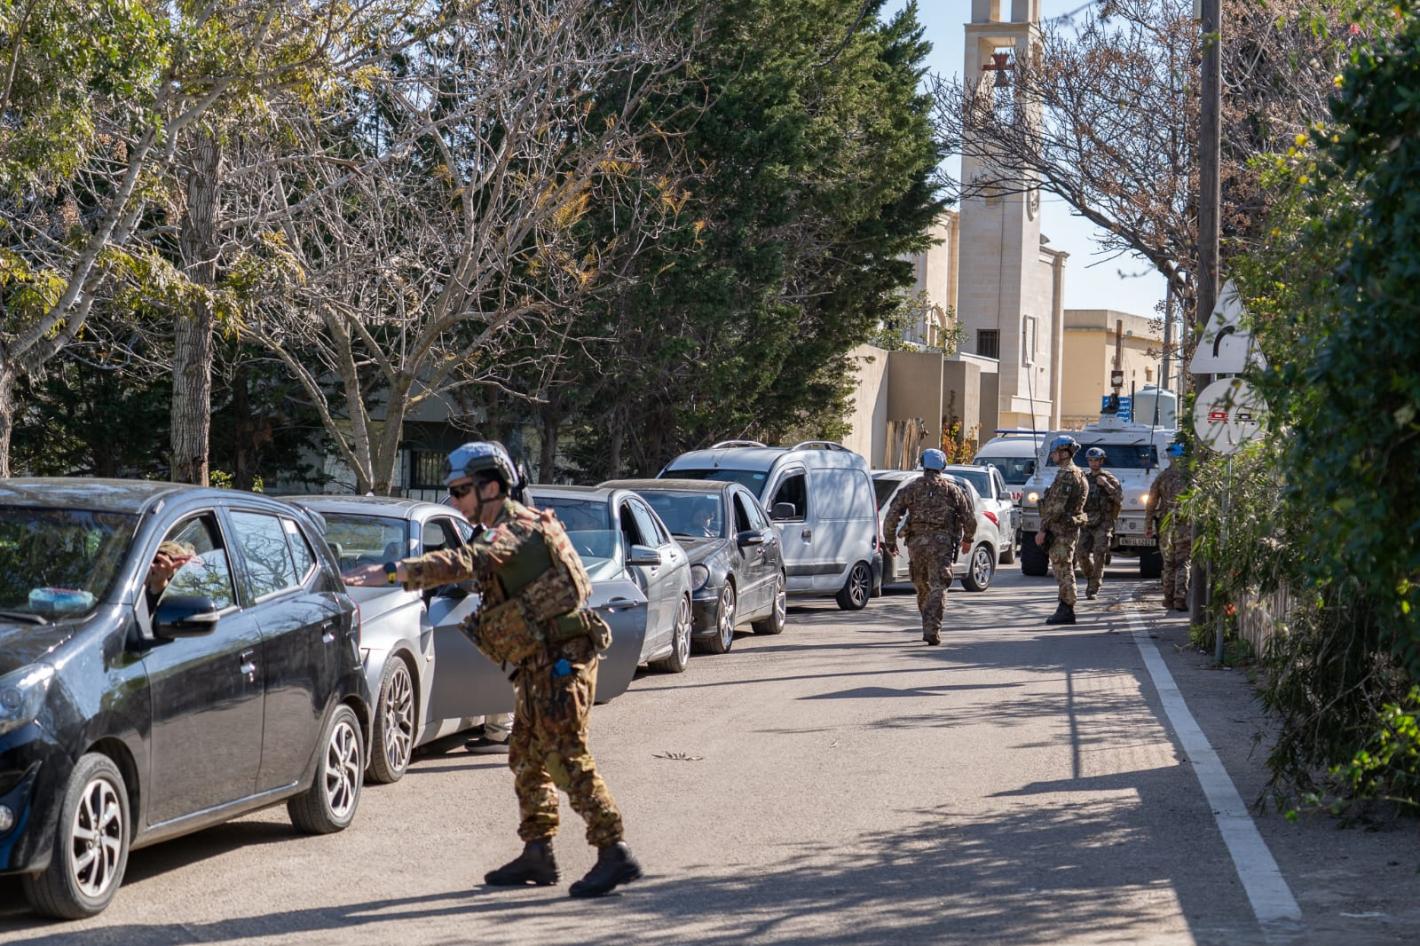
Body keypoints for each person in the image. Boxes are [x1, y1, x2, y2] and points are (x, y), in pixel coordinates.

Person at [347, 441, 639, 898]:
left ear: (493, 488)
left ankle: (613, 851)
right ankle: (538, 852)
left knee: (566, 756)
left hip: (562, 664)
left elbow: (466, 562)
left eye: (461, 490)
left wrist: (391, 572)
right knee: (524, 755)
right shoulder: (506, 527)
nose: (455, 501)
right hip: (540, 665)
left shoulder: (517, 528)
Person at [881, 449, 975, 646]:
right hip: (942, 545)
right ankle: (932, 627)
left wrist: (890, 542)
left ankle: (928, 623)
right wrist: (968, 539)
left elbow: (892, 516)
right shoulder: (952, 490)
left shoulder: (911, 489)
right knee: (939, 586)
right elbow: (969, 517)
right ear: (943, 467)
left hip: (917, 545)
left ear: (923, 465)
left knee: (922, 585)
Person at [1036, 435, 1088, 625]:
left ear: (1064, 453)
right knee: (1064, 567)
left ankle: (1067, 608)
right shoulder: (1079, 474)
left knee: (1063, 569)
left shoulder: (1066, 475)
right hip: (1068, 529)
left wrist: (1043, 529)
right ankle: (1064, 605)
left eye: (1055, 452)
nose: (1052, 456)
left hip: (1061, 531)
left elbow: (1056, 508)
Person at [1146, 440, 1191, 611]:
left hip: (1166, 526)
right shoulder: (1191, 476)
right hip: (1186, 525)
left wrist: (1148, 525)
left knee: (1168, 563)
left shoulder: (1163, 477)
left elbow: (1151, 503)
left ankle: (1168, 598)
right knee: (1183, 562)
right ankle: (1180, 598)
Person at [1074, 447, 1123, 600]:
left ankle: (1094, 588)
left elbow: (1119, 498)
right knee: (1080, 552)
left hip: (1104, 522)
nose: (1093, 463)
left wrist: (1106, 485)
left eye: (1096, 460)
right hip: (1087, 521)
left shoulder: (1109, 478)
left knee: (1099, 554)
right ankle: (1091, 577)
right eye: (1091, 460)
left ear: (1102, 461)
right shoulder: (1084, 478)